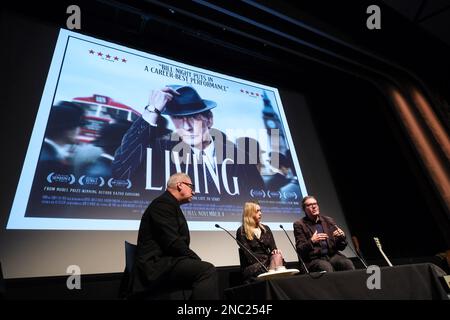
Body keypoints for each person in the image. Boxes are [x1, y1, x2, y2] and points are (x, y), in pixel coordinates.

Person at [112, 85, 264, 198]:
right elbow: (121, 172)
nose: (187, 126)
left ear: (209, 119)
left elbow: (259, 198)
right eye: (178, 118)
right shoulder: (162, 151)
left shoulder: (239, 157)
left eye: (194, 117)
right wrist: (152, 110)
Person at [127, 173, 219, 299]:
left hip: (167, 263)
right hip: (156, 267)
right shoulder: (162, 204)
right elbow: (172, 242)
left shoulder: (170, 204)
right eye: (191, 186)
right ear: (179, 185)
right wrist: (196, 259)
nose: (194, 192)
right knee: (206, 270)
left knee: (201, 270)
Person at [293, 195, 355, 272]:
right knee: (326, 267)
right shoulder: (299, 224)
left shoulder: (328, 220)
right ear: (304, 209)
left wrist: (342, 237)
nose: (314, 206)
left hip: (331, 256)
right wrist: (312, 241)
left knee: (347, 263)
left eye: (315, 204)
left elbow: (341, 247)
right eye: (309, 205)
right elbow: (300, 249)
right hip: (313, 259)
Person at [236, 200, 285, 283]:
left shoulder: (266, 229)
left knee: (277, 256)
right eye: (257, 211)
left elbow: (273, 248)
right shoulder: (241, 231)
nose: (260, 213)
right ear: (250, 213)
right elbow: (250, 257)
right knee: (276, 261)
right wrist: (270, 259)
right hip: (253, 266)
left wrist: (275, 252)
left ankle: (272, 278)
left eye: (260, 210)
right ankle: (273, 279)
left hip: (269, 262)